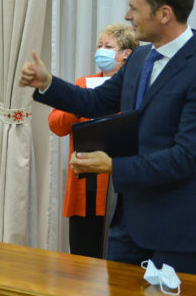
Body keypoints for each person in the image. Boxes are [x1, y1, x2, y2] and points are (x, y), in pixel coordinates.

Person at [19, 0, 196, 277]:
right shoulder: (139, 59)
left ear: (164, 13)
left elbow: (186, 157)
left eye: (135, 8)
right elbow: (95, 102)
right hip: (128, 227)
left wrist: (112, 166)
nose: (127, 16)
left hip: (179, 233)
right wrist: (47, 82)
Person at [48, 23, 137, 259]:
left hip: (119, 183)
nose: (101, 51)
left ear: (126, 54)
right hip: (85, 182)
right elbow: (56, 125)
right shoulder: (83, 84)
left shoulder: (135, 89)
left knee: (118, 261)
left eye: (108, 46)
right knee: (83, 259)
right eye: (99, 46)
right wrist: (81, 104)